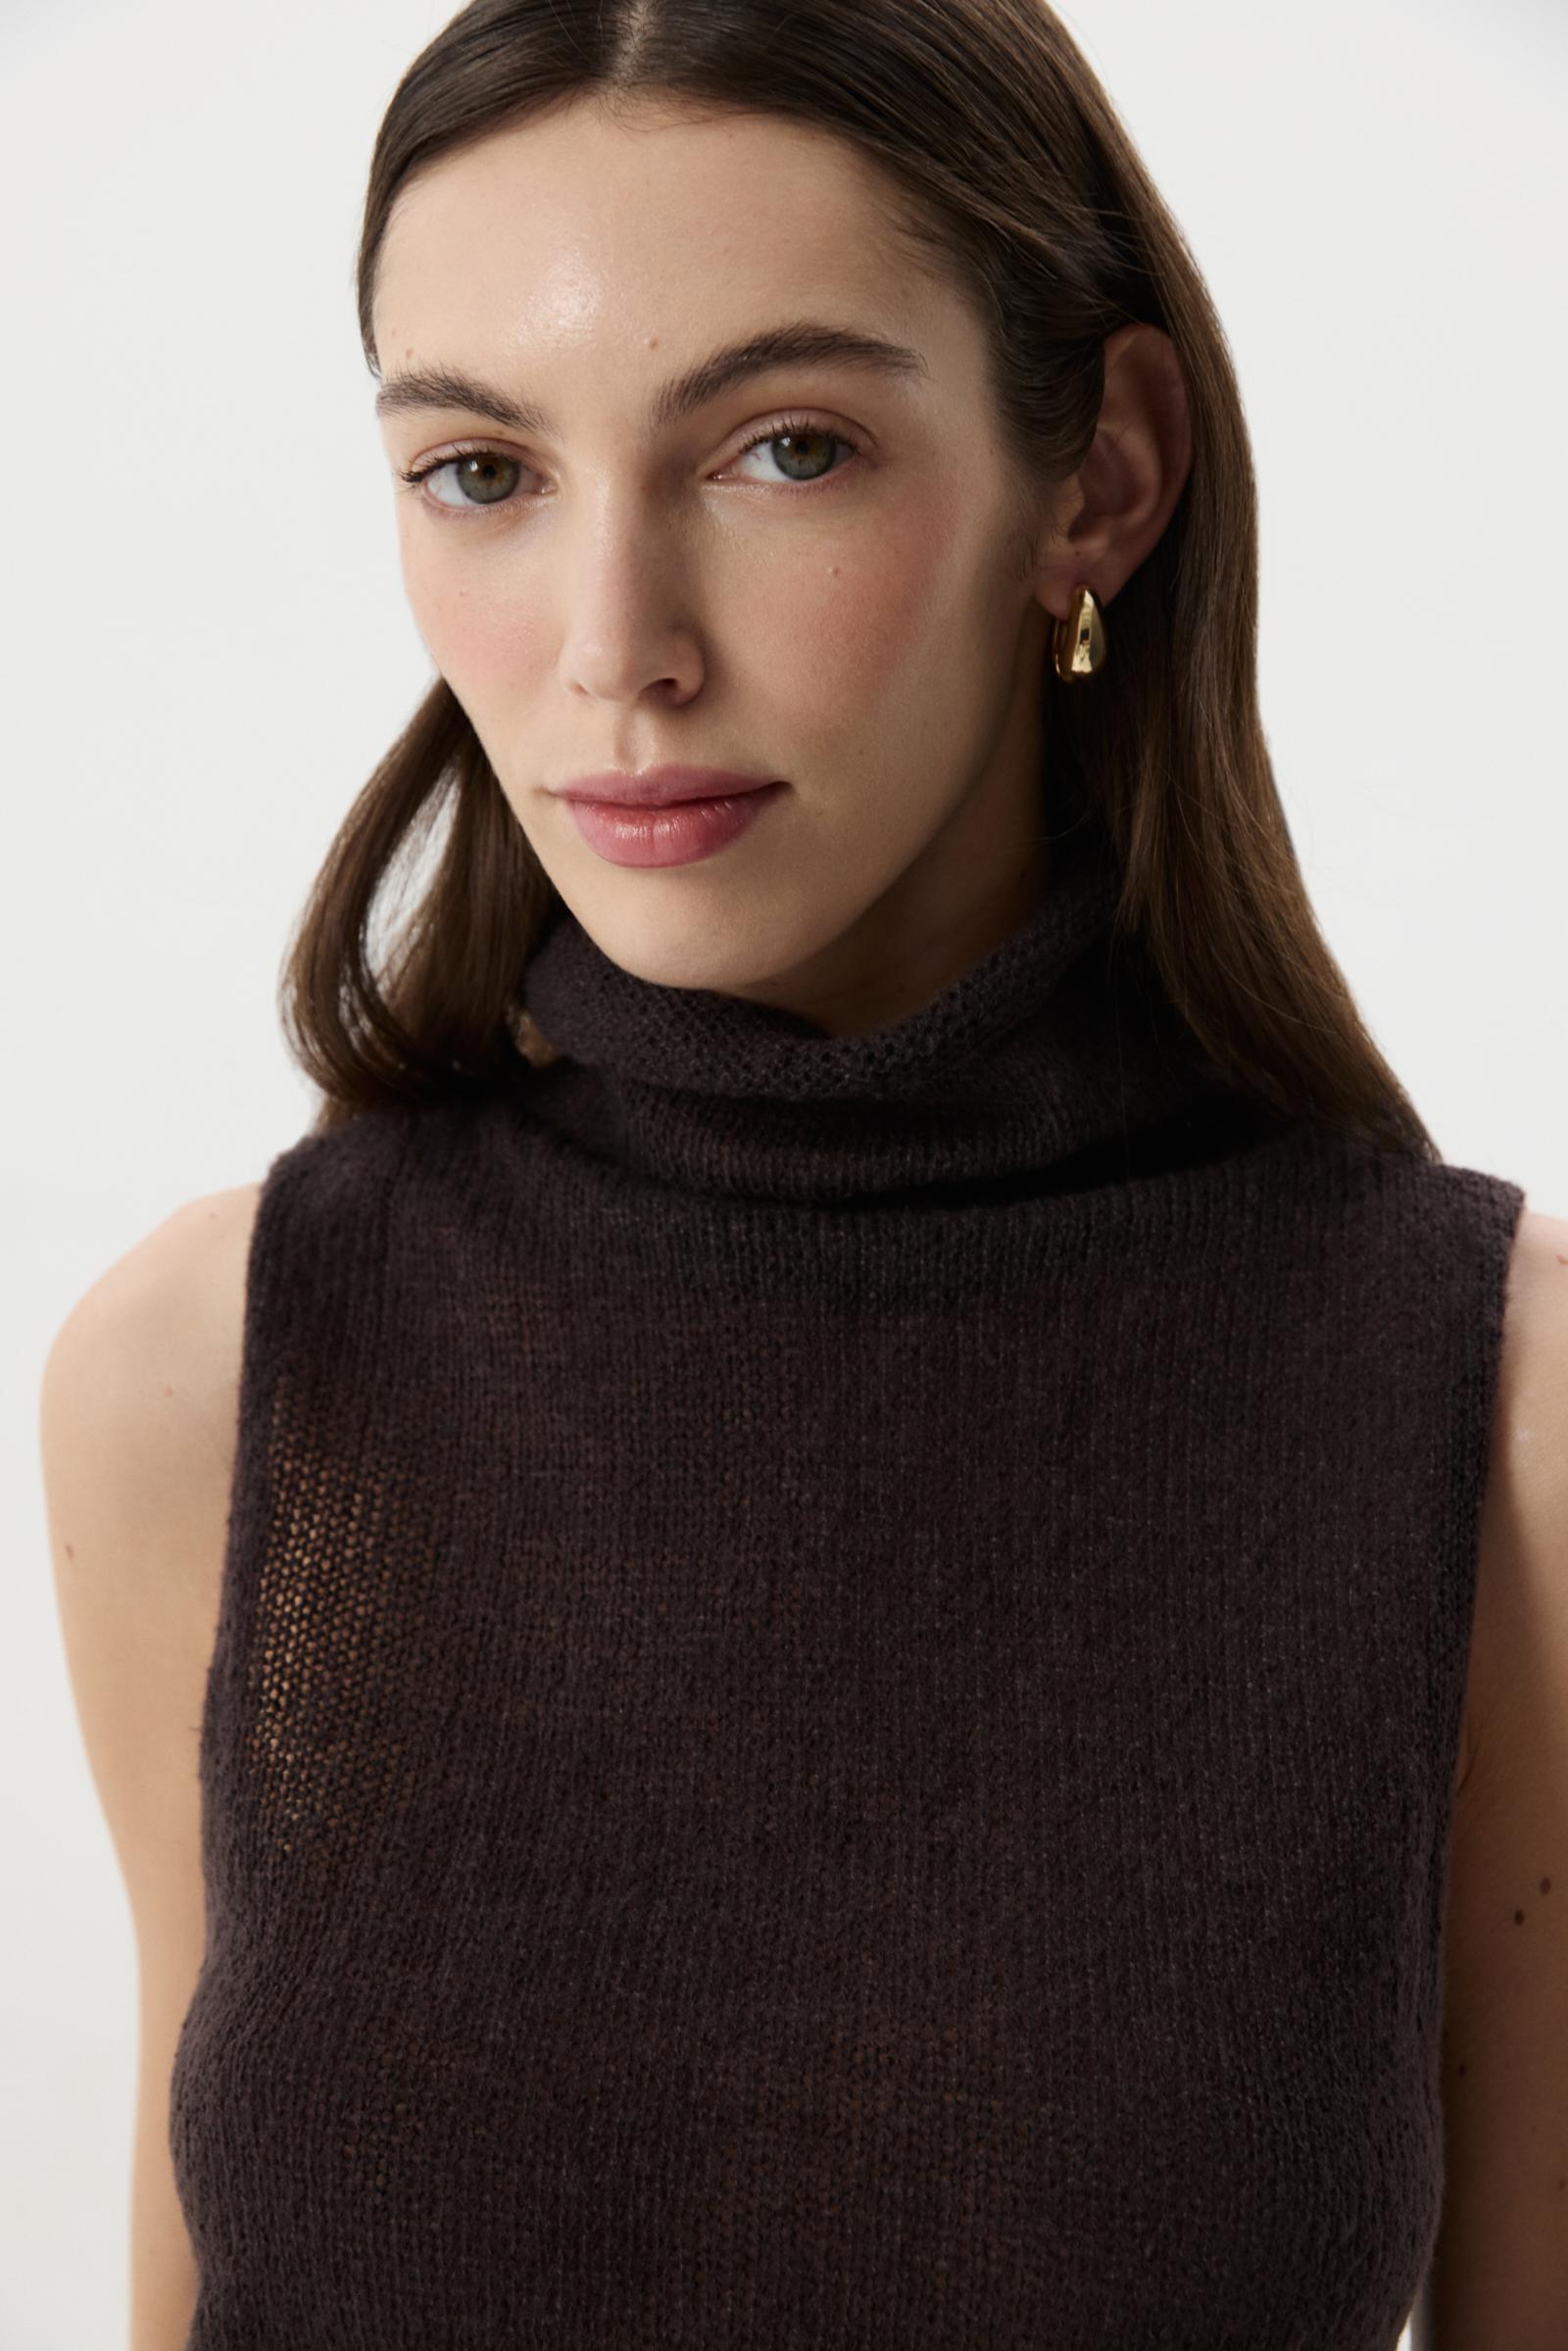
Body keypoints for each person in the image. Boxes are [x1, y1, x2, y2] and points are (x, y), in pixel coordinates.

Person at [38, 2, 1567, 2345]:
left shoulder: (1492, 1428)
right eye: (480, 470)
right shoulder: (217, 1382)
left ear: (1101, 477)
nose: (611, 651)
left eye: (783, 448)